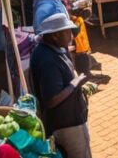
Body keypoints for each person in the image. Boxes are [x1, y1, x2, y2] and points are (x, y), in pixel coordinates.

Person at [30, 13, 91, 158]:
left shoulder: (53, 49)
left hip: (65, 122)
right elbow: (51, 99)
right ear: (55, 35)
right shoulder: (47, 60)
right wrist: (75, 83)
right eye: (67, 32)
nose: (71, 36)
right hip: (67, 126)